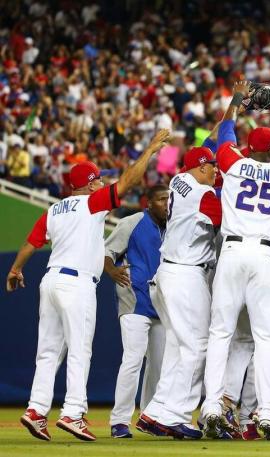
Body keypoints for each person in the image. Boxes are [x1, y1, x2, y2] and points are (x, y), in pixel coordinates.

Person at [8, 129, 171, 442]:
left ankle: (36, 409)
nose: (101, 183)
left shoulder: (54, 209)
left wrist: (16, 269)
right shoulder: (91, 203)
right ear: (89, 182)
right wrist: (150, 150)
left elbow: (31, 243)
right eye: (98, 179)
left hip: (50, 281)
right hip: (77, 284)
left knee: (47, 352)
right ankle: (73, 413)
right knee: (79, 350)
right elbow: (128, 182)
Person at [200, 81, 270, 441]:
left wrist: (237, 100)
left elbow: (224, 132)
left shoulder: (233, 162)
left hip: (230, 252)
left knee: (220, 333)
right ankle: (269, 413)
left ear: (248, 148)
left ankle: (212, 406)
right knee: (267, 338)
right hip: (263, 256)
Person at [136, 146, 220, 440]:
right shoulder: (203, 195)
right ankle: (177, 415)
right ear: (199, 167)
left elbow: (193, 161)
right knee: (197, 347)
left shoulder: (178, 181)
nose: (216, 170)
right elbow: (227, 221)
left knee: (177, 348)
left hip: (167, 272)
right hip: (186, 273)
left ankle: (156, 411)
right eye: (211, 165)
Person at [104, 185, 169, 438]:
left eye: (168, 199)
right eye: (161, 199)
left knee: (159, 364)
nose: (166, 203)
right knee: (132, 360)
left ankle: (150, 417)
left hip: (162, 305)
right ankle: (119, 421)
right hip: (134, 300)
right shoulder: (132, 221)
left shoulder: (173, 226)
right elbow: (107, 251)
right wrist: (111, 271)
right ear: (148, 202)